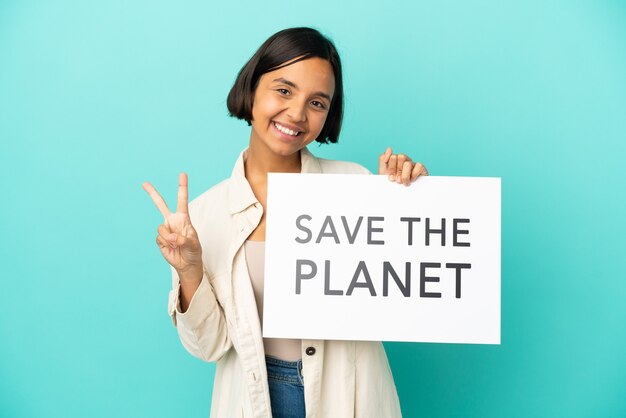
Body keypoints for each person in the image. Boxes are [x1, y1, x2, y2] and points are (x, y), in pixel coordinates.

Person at [143, 27, 428, 418]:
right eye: (283, 90)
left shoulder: (356, 184)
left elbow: (400, 295)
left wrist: (403, 202)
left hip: (348, 394)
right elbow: (209, 345)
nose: (296, 114)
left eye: (317, 102)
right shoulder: (204, 215)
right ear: (253, 88)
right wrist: (190, 270)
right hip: (253, 395)